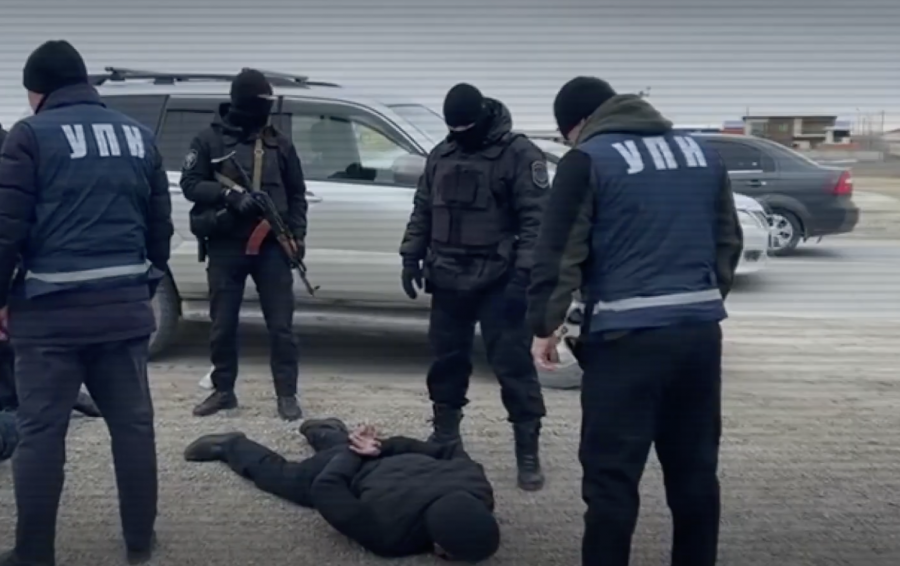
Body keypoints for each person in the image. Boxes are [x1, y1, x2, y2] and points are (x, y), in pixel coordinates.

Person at [527, 77, 743, 566]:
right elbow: (727, 242)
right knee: (694, 473)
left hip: (624, 342)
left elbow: (558, 254)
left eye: (567, 135)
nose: (570, 143)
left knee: (611, 481)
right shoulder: (703, 154)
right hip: (698, 336)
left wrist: (544, 326)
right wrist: (699, 301)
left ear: (581, 123)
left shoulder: (588, 160)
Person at [0, 40, 173, 565]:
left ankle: (34, 553)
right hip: (123, 313)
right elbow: (159, 233)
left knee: (40, 433)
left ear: (38, 91)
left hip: (47, 318)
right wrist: (139, 292)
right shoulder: (139, 136)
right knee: (134, 428)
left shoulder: (28, 136)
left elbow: (6, 231)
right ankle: (139, 541)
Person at [399, 83, 548, 491]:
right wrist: (411, 254)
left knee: (512, 365)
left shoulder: (519, 154)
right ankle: (446, 438)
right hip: (447, 276)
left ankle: (528, 452)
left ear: (482, 117)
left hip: (499, 278)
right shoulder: (441, 155)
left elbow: (537, 221)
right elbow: (423, 208)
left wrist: (524, 275)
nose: (459, 134)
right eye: (454, 128)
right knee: (446, 361)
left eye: (465, 127)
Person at [183, 418, 500, 562]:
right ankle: (232, 445)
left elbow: (444, 449)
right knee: (286, 479)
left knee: (344, 450)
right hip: (359, 468)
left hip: (390, 458)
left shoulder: (478, 485)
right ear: (439, 547)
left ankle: (327, 430)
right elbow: (324, 489)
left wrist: (380, 446)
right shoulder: (392, 535)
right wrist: (360, 452)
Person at [180, 68, 307, 421]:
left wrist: (298, 236)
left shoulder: (280, 144)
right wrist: (229, 197)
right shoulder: (208, 140)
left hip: (271, 246)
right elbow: (190, 183)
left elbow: (297, 194)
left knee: (281, 326)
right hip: (226, 244)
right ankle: (223, 390)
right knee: (223, 324)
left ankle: (287, 394)